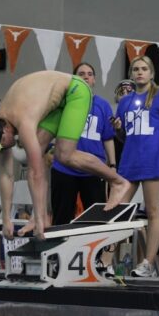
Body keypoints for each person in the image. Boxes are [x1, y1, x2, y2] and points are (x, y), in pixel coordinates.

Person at [0, 71, 131, 241]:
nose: (3, 148)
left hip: (75, 90)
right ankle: (39, 217)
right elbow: (6, 175)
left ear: (5, 130)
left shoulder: (23, 121)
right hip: (57, 102)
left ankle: (118, 182)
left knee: (64, 154)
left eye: (2, 144)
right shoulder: (0, 126)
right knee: (40, 153)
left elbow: (36, 173)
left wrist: (41, 222)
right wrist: (6, 219)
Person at [113, 56, 159, 277]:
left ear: (151, 73)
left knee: (152, 210)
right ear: (131, 73)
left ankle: (147, 263)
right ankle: (108, 262)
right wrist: (118, 129)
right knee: (118, 211)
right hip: (129, 160)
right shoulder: (125, 101)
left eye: (144, 68)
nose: (140, 72)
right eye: (136, 69)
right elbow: (123, 136)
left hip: (152, 159)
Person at [50, 62, 116, 225]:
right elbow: (50, 131)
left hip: (93, 169)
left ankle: (95, 245)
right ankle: (61, 243)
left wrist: (112, 165)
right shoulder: (64, 103)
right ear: (74, 79)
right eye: (81, 74)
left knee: (96, 221)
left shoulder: (103, 105)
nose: (86, 77)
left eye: (90, 74)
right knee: (61, 219)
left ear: (94, 80)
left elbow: (108, 137)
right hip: (64, 168)